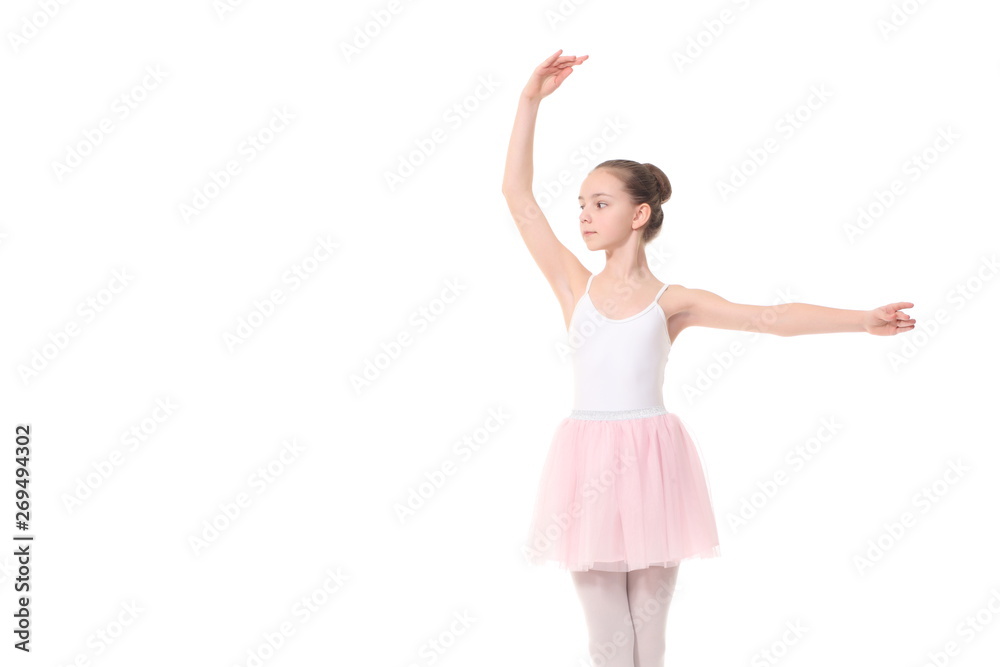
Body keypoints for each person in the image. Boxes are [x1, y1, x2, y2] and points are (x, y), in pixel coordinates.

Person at [501, 49, 917, 667]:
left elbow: (770, 319)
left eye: (600, 203)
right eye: (582, 203)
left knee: (651, 635)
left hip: (651, 459)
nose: (584, 215)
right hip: (585, 462)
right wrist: (529, 100)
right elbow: (518, 196)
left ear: (639, 215)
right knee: (607, 636)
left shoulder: (675, 302)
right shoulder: (572, 284)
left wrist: (861, 320)